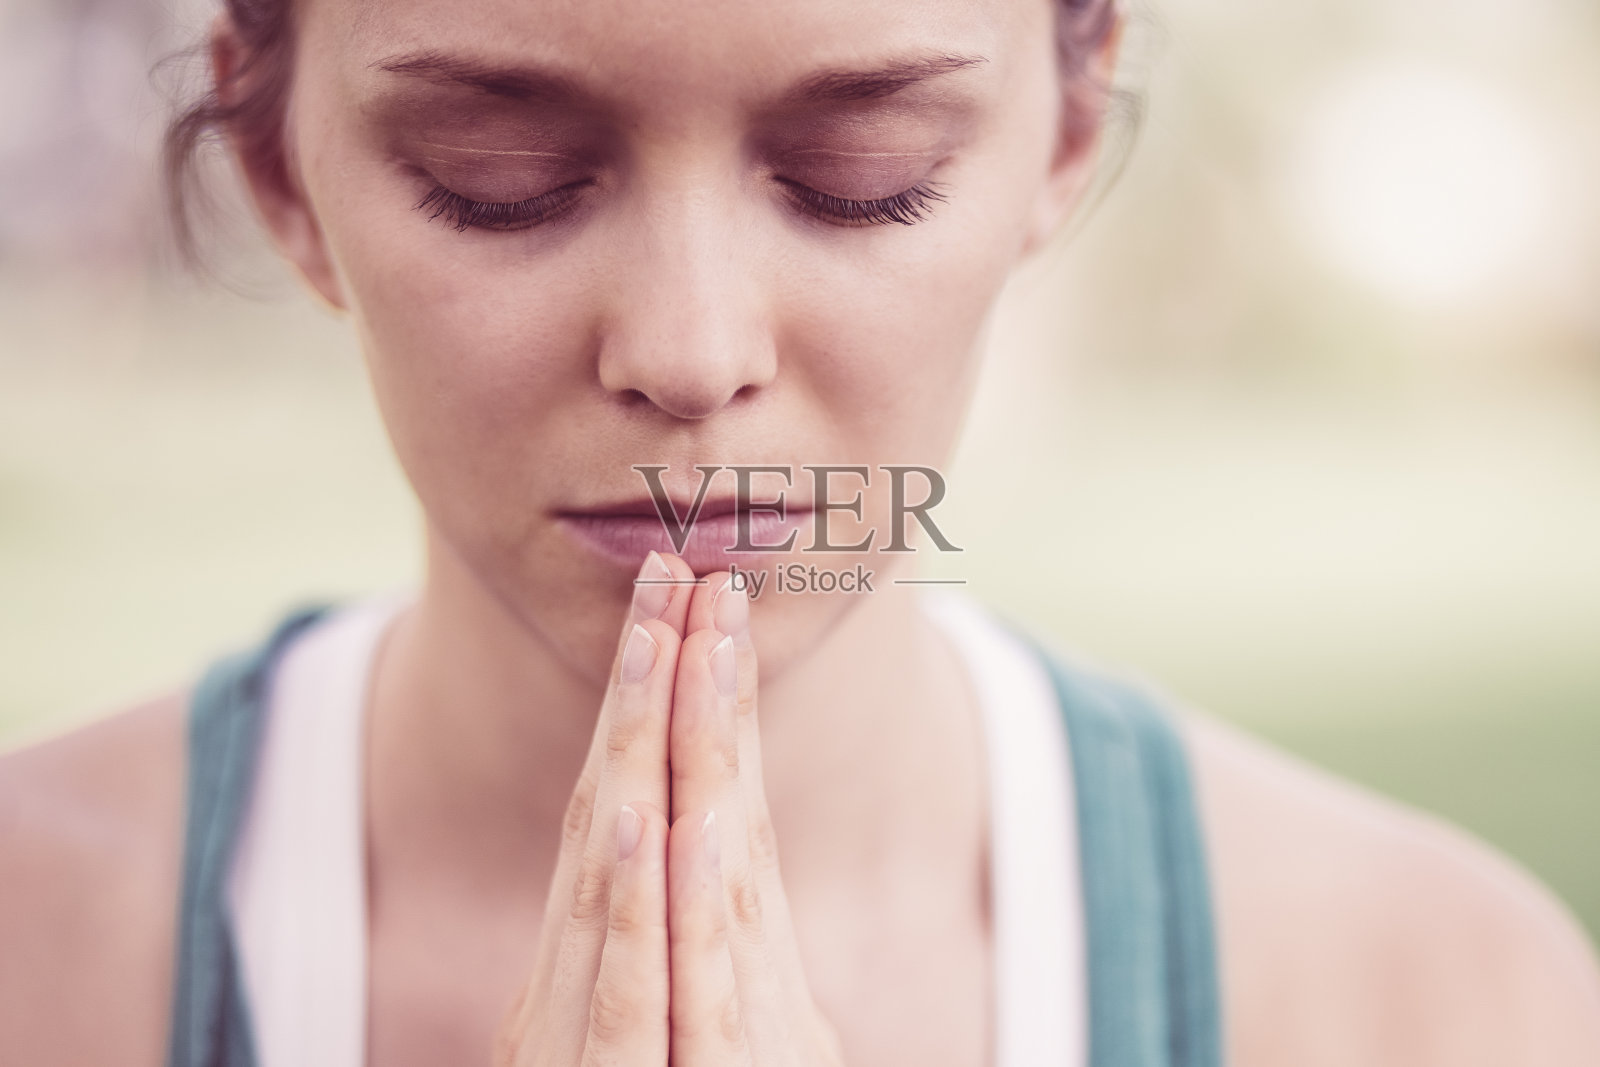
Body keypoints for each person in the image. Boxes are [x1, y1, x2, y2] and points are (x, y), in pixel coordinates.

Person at [2, 0, 1598, 1064]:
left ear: (1062, 125)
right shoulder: (37, 954)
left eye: (861, 178)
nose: (693, 352)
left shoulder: (1437, 999)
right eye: (500, 178)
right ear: (283, 166)